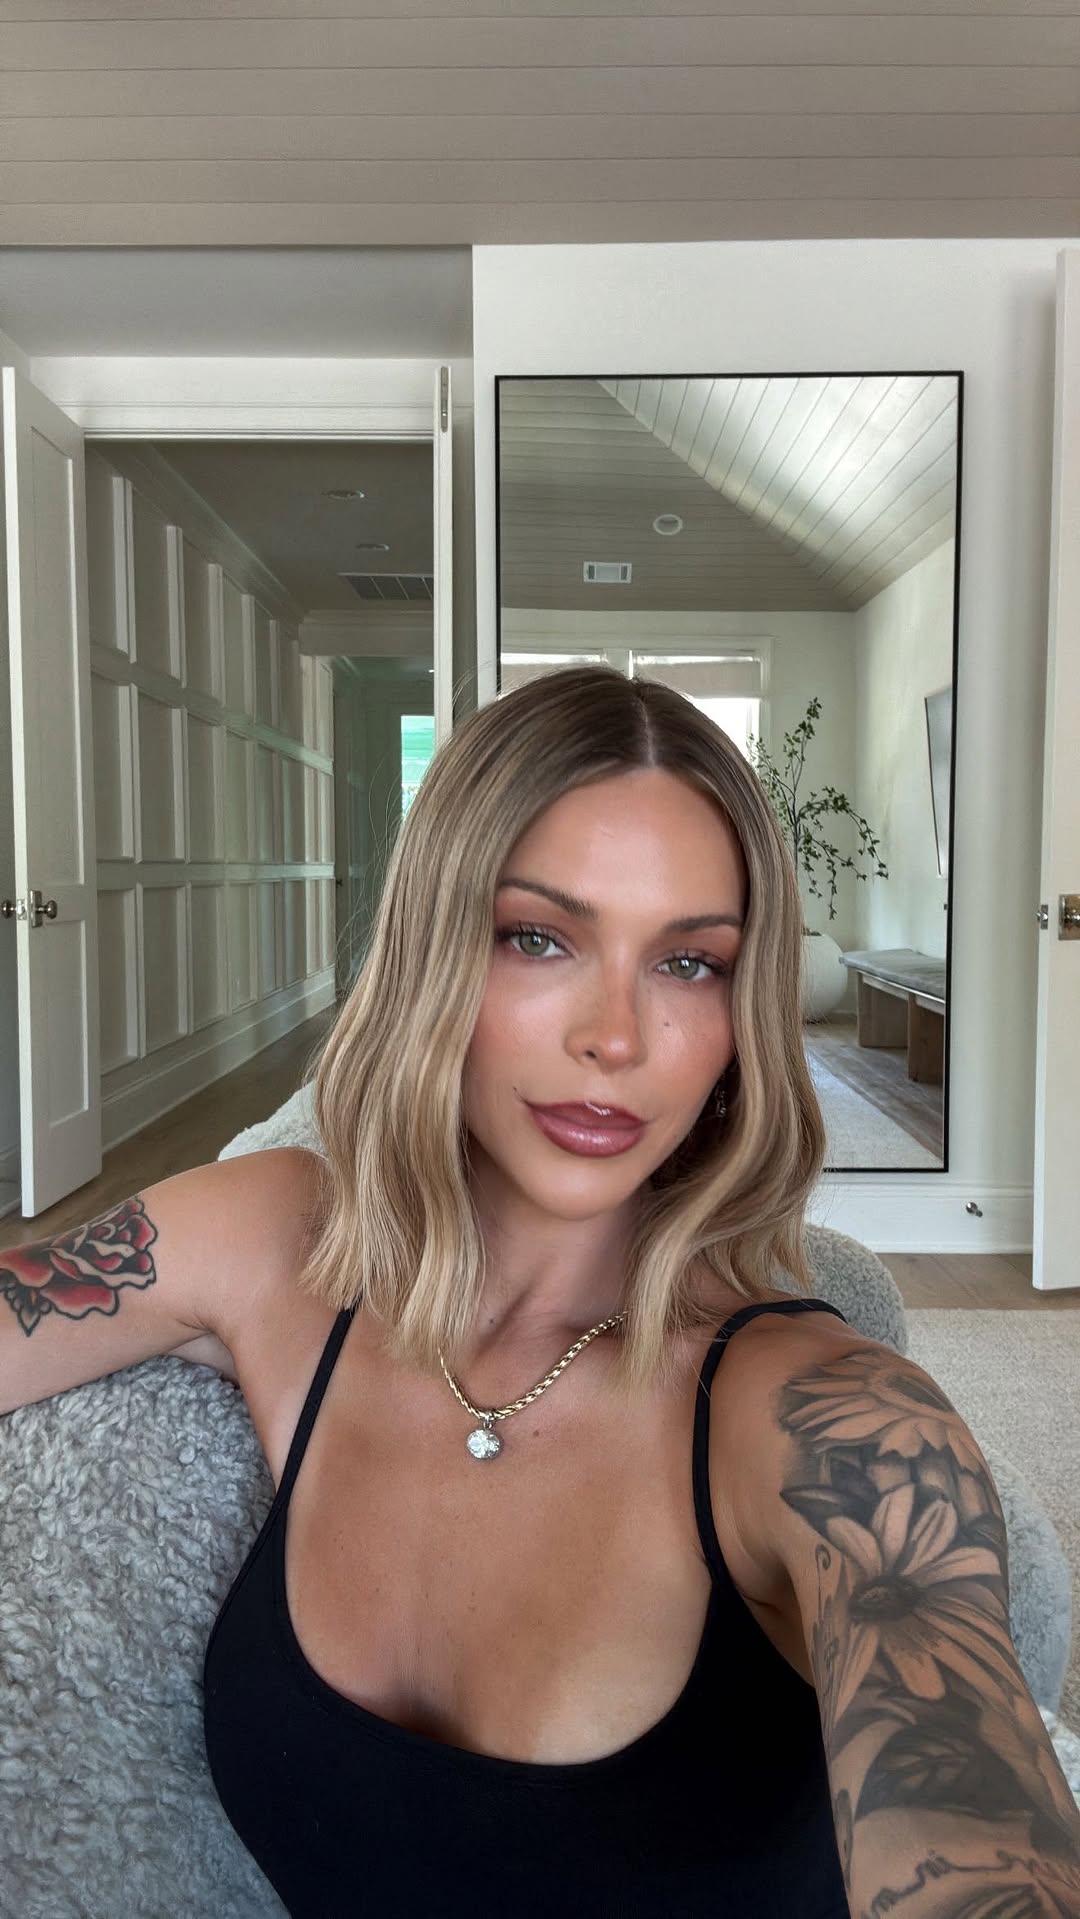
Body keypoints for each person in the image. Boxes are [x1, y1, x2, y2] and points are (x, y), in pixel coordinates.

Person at [6, 665, 1076, 1918]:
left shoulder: (849, 1431)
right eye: (537, 937)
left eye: (689, 962)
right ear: (432, 951)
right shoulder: (274, 1236)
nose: (614, 1035)